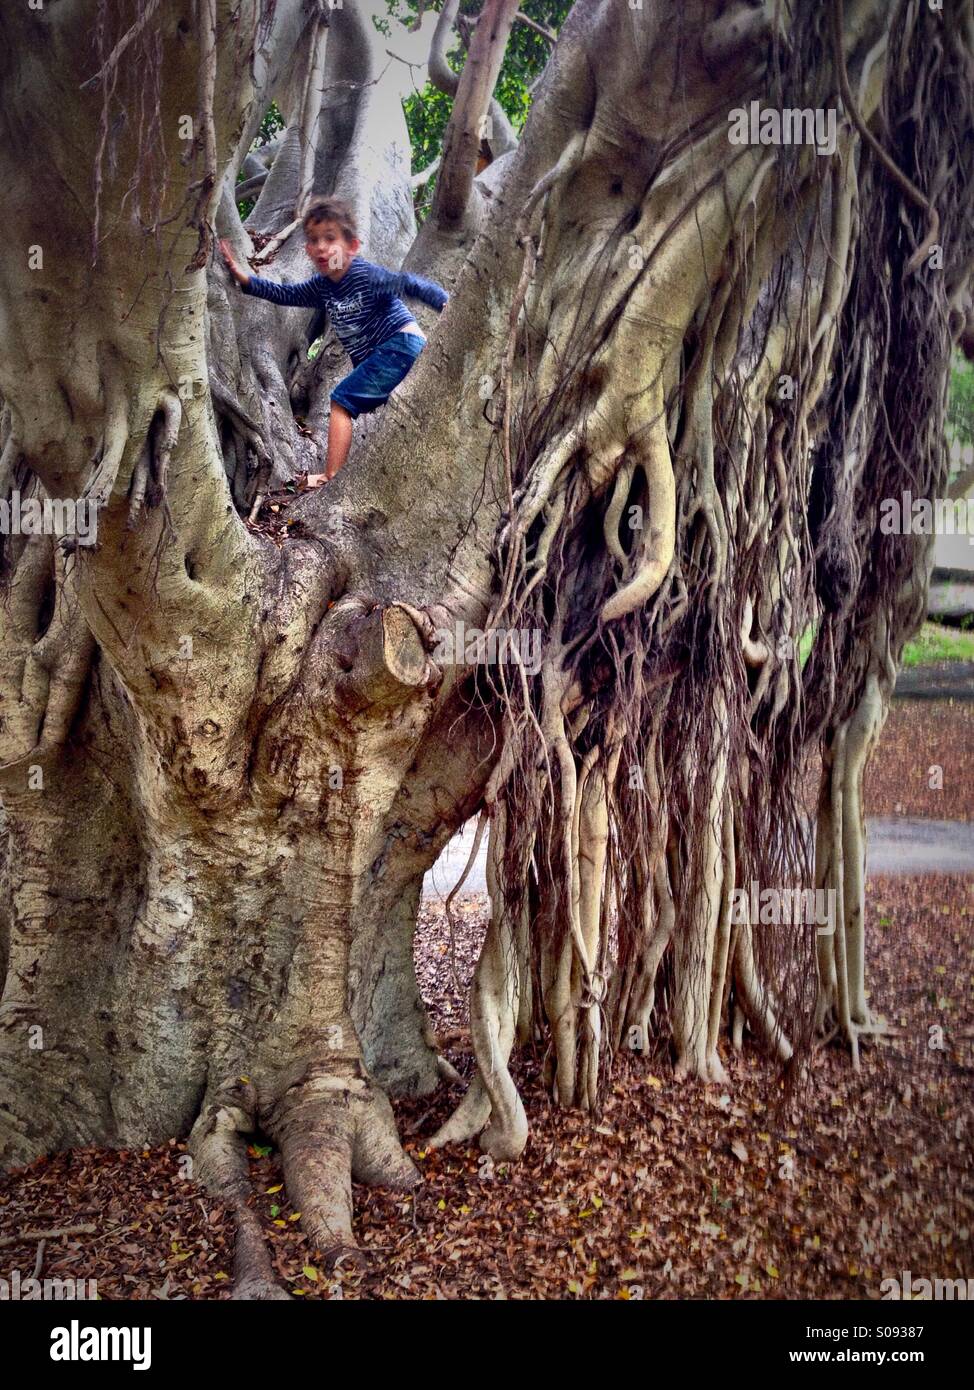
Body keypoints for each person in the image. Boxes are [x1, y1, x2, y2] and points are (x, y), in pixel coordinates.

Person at [219, 196, 448, 486]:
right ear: (307, 250)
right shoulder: (323, 287)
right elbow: (286, 294)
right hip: (387, 356)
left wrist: (444, 303)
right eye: (314, 240)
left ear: (352, 247)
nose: (322, 247)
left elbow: (409, 283)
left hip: (400, 345)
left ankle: (332, 475)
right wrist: (246, 280)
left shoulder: (364, 275)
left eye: (330, 238)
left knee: (340, 401)